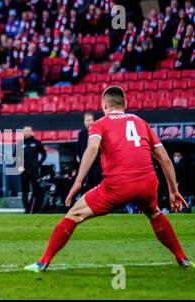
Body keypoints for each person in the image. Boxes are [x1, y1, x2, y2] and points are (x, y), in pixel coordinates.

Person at [25, 86, 193, 273]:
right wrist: (173, 190)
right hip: (147, 183)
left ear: (104, 105)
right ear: (125, 104)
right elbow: (165, 158)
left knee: (74, 214)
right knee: (154, 213)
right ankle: (182, 258)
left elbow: (92, 149)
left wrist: (78, 182)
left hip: (118, 185)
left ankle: (42, 262)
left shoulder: (100, 124)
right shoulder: (141, 122)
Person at [16, 125, 47, 213]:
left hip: (34, 171)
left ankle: (36, 209)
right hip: (24, 171)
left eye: (29, 131)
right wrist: (19, 166)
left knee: (36, 190)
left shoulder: (37, 143)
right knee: (24, 191)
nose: (27, 132)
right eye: (25, 131)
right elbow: (15, 156)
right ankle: (26, 209)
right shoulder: (20, 143)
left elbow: (44, 154)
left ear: (32, 132)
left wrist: (38, 164)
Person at [76, 112, 102, 192]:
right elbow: (78, 148)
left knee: (97, 185)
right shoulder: (81, 134)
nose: (88, 122)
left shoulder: (98, 132)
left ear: (93, 121)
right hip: (85, 165)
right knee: (87, 187)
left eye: (90, 120)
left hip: (97, 165)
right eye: (86, 120)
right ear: (84, 122)